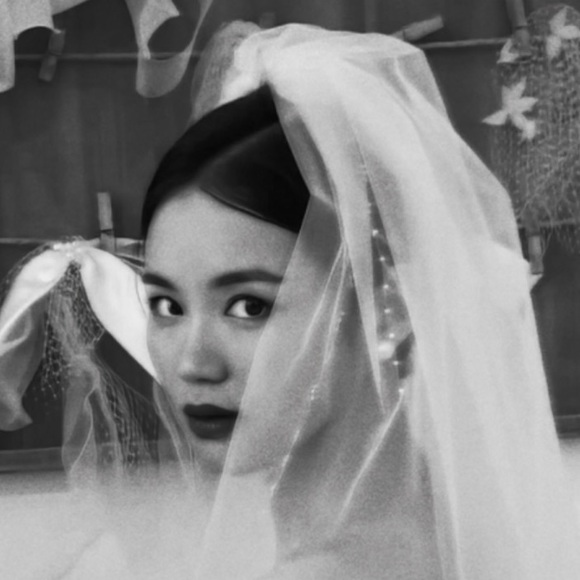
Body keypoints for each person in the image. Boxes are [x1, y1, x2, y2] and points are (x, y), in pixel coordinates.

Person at [0, 22, 579, 580]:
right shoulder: (439, 529)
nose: (193, 364)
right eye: (167, 306)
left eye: (248, 306)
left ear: (392, 304)